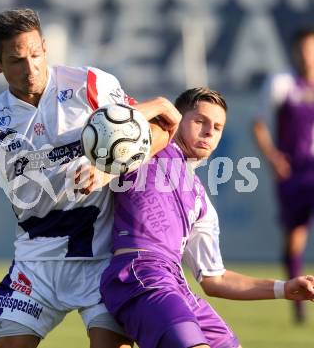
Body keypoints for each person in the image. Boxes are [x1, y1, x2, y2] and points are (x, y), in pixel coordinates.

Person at [0, 8, 181, 348]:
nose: (30, 68)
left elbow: (156, 131)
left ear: (45, 47)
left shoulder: (89, 85)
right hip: (36, 265)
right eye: (17, 60)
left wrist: (107, 170)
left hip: (102, 260)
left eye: (35, 55)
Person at [100, 87, 314, 348]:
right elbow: (110, 125)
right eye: (200, 121)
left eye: (218, 127)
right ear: (176, 120)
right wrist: (159, 106)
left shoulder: (200, 201)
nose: (209, 131)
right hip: (139, 273)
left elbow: (216, 279)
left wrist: (284, 288)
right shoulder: (149, 147)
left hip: (176, 284)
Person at [252, 28, 314, 323]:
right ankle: (299, 306)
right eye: (302, 48)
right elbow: (259, 123)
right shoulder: (282, 83)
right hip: (294, 173)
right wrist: (273, 157)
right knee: (294, 239)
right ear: (294, 51)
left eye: (311, 48)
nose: (307, 54)